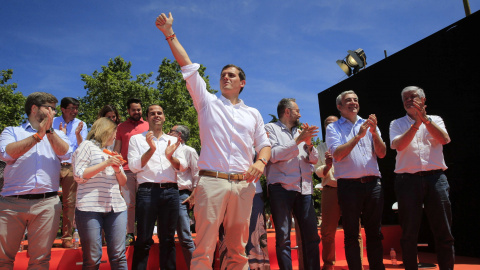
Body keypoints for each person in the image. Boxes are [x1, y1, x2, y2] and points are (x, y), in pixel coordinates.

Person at [156, 12, 271, 270]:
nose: (225, 78)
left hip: (243, 186)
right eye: (223, 75)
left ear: (242, 83)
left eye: (231, 75)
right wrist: (169, 34)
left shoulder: (253, 113)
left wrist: (261, 162)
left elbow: (264, 144)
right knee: (204, 249)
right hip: (211, 183)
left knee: (238, 250)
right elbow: (187, 66)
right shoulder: (206, 102)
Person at [0, 92, 71, 269]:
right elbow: (7, 153)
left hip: (47, 204)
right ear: (34, 108)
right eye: (50, 108)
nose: (53, 113)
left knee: (40, 260)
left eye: (54, 110)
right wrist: (37, 136)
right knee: (3, 259)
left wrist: (48, 132)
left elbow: (66, 153)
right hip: (11, 204)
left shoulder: (57, 134)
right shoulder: (12, 131)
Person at [389, 86, 454, 270]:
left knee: (444, 231)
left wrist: (425, 120)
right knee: (409, 233)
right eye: (406, 98)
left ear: (423, 100)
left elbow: (444, 139)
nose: (409, 100)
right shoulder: (396, 123)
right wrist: (416, 124)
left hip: (436, 179)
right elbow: (398, 146)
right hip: (407, 181)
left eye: (413, 96)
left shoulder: (437, 119)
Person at [325, 90, 386, 270]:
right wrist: (358, 136)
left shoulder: (370, 125)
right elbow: (337, 154)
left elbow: (382, 154)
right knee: (351, 234)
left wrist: (374, 133)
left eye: (355, 99)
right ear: (339, 107)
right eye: (348, 100)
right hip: (349, 187)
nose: (353, 102)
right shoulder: (333, 128)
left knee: (375, 233)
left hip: (374, 184)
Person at [265, 98, 320, 270]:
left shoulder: (301, 131)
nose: (300, 114)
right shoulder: (270, 129)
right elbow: (272, 155)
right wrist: (298, 141)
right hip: (280, 188)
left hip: (304, 189)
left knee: (311, 236)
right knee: (283, 237)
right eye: (297, 111)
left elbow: (315, 159)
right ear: (287, 111)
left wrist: (309, 143)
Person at [128, 104, 186, 270]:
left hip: (171, 191)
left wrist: (169, 156)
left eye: (159, 113)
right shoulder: (137, 139)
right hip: (147, 192)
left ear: (164, 117)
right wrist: (151, 150)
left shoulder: (174, 141)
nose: (156, 115)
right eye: (152, 113)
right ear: (146, 118)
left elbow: (182, 166)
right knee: (144, 239)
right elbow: (133, 166)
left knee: (168, 240)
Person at [72, 117, 128, 269]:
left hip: (117, 208)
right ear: (105, 131)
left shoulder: (111, 152)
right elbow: (78, 175)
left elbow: (123, 182)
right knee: (92, 258)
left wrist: (117, 169)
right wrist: (106, 163)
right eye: (114, 132)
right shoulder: (86, 146)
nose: (116, 136)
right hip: (89, 209)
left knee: (119, 256)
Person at [315, 115, 363, 270]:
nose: (329, 125)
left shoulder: (348, 142)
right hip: (331, 190)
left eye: (333, 123)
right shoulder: (321, 148)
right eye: (326, 123)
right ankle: (328, 264)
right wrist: (328, 166)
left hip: (351, 188)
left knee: (354, 229)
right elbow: (317, 171)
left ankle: (357, 264)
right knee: (327, 231)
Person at [53, 97, 88, 248]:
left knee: (69, 203)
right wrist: (62, 135)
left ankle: (67, 237)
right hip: (52, 165)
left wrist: (72, 135)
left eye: (76, 108)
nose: (75, 111)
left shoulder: (82, 124)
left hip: (71, 166)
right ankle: (47, 236)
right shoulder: (52, 122)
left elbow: (83, 146)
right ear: (62, 109)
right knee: (49, 202)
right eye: (71, 108)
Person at [113, 98, 149, 245]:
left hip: (144, 170)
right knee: (129, 204)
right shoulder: (121, 127)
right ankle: (129, 233)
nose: (137, 112)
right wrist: (115, 165)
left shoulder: (148, 125)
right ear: (128, 111)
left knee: (145, 203)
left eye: (139, 109)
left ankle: (144, 234)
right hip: (127, 170)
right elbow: (117, 148)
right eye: (134, 109)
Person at [168, 125, 198, 269]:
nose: (167, 133)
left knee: (185, 237)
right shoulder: (164, 149)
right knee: (165, 237)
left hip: (182, 195)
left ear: (179, 135)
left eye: (171, 131)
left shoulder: (189, 151)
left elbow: (198, 174)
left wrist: (194, 194)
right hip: (164, 194)